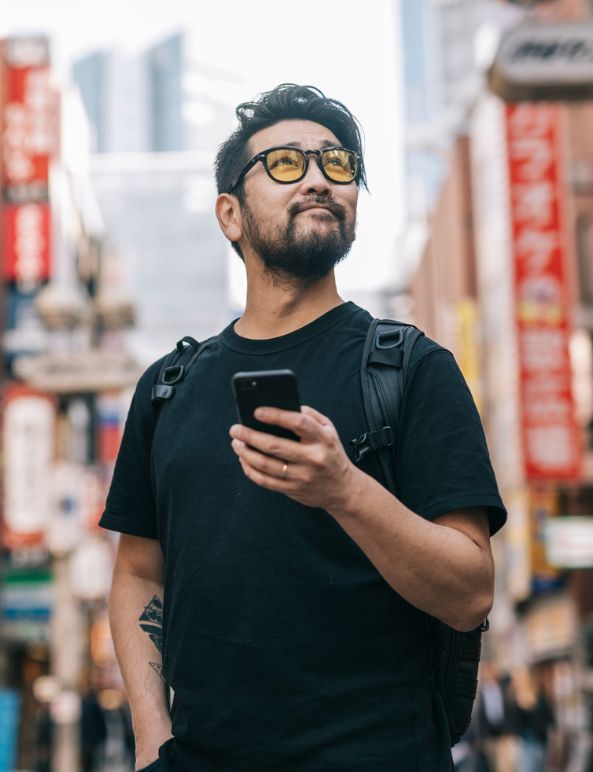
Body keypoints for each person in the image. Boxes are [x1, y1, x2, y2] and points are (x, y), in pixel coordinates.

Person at [100, 83, 507, 772]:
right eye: (286, 164)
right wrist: (150, 740)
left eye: (338, 165)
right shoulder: (168, 389)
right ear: (229, 213)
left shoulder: (411, 369)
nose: (319, 178)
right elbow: (139, 572)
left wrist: (343, 489)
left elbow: (468, 592)